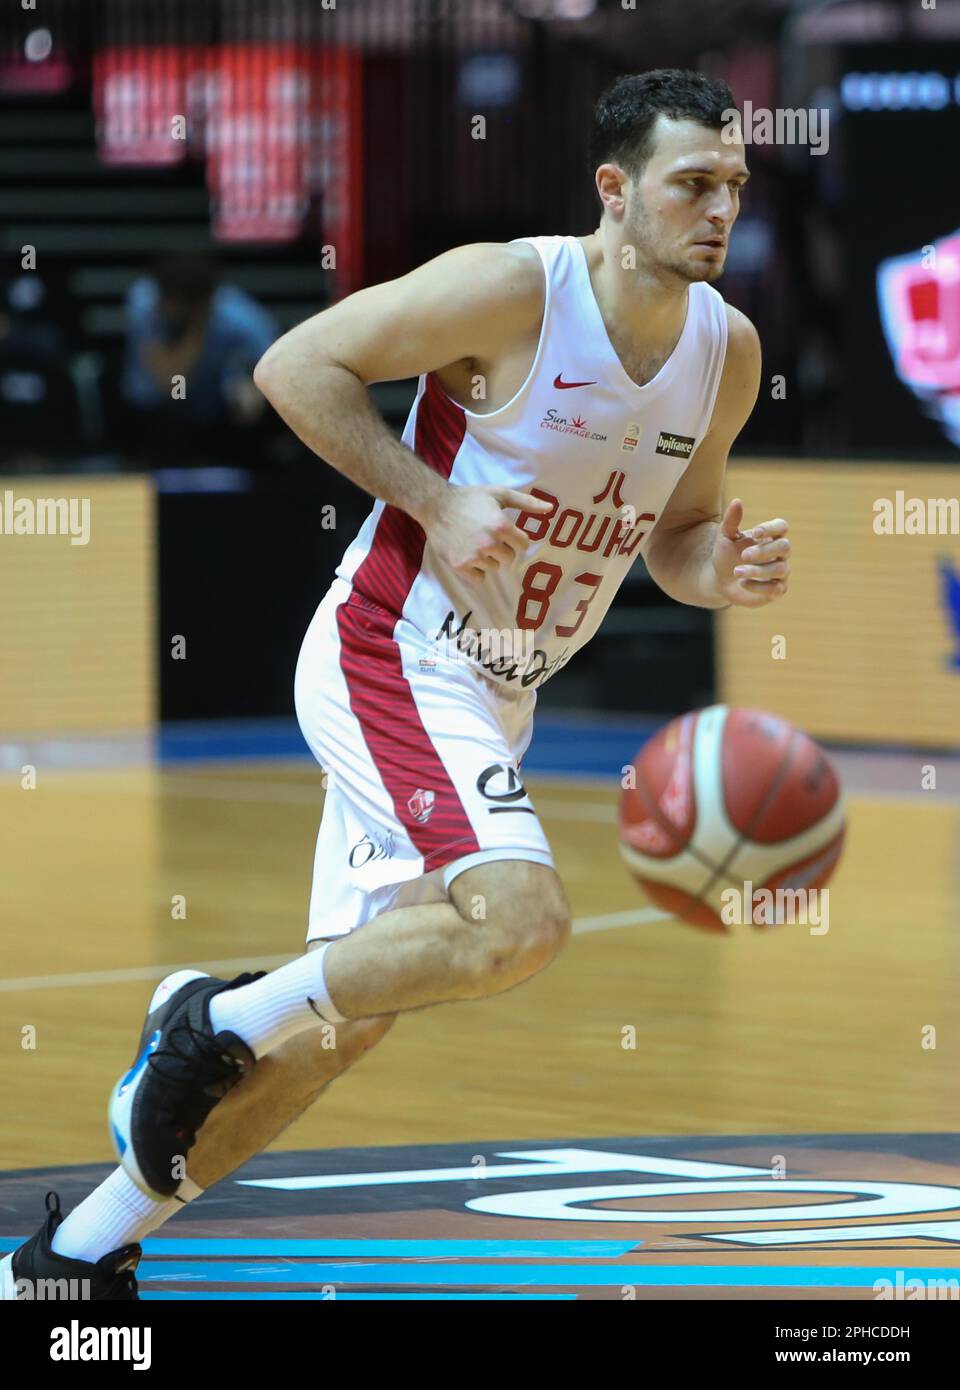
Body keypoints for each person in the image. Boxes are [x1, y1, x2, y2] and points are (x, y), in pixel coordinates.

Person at [1, 68, 791, 1300]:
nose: (719, 208)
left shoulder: (724, 351)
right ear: (614, 188)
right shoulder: (511, 289)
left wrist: (716, 568)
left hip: (501, 695)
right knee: (521, 920)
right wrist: (434, 497)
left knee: (342, 1022)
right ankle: (208, 1018)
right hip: (396, 650)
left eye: (735, 185)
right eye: (693, 183)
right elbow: (293, 366)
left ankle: (71, 1253)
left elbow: (676, 535)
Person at [119, 251, 277, 466]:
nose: (163, 306)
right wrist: (197, 333)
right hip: (154, 414)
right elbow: (171, 382)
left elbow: (273, 368)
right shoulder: (145, 302)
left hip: (217, 415)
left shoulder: (242, 319)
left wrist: (252, 385)